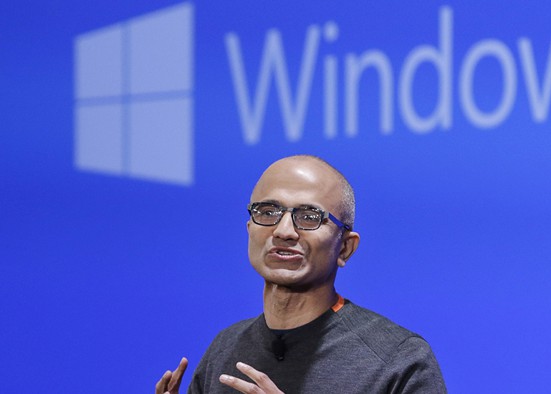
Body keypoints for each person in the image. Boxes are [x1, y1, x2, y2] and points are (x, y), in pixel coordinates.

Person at [156, 155, 446, 394]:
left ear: (345, 248)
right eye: (268, 211)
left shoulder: (398, 359)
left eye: (309, 217)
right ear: (249, 231)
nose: (283, 231)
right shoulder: (225, 349)